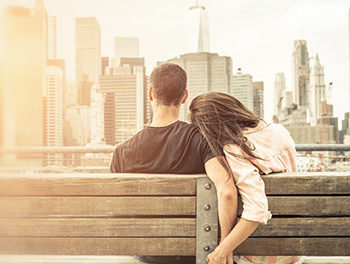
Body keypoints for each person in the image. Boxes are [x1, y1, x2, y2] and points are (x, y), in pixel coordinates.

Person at [110, 63, 237, 264]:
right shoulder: (201, 139)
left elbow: (116, 211)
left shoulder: (121, 152)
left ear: (150, 94)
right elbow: (227, 192)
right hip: (193, 253)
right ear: (185, 96)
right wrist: (225, 246)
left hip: (147, 255)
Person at [189, 92, 304, 264]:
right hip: (293, 247)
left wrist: (223, 249)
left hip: (258, 256)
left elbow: (257, 209)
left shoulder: (236, 148)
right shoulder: (279, 130)